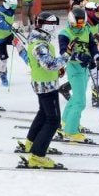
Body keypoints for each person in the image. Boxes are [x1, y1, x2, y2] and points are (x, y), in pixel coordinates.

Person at [17, 12, 70, 169]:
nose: (55, 28)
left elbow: (32, 61)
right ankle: (38, 156)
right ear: (47, 26)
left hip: (42, 83)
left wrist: (57, 70)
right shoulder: (40, 44)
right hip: (46, 86)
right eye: (53, 25)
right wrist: (67, 55)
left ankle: (32, 143)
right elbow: (49, 65)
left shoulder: (36, 40)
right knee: (53, 120)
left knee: (43, 114)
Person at [58, 6, 99, 142]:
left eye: (83, 23)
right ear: (72, 21)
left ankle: (66, 123)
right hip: (74, 69)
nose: (80, 26)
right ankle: (71, 132)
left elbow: (92, 46)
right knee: (80, 102)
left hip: (85, 68)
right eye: (78, 23)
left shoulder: (86, 30)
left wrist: (97, 58)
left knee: (76, 98)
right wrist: (79, 56)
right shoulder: (65, 33)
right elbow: (63, 53)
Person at [0, 0, 22, 87]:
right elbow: (1, 25)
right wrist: (12, 27)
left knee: (18, 43)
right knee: (4, 59)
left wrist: (14, 26)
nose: (14, 8)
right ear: (7, 4)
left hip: (8, 34)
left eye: (15, 6)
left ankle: (28, 60)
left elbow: (9, 22)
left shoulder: (9, 11)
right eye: (12, 6)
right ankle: (3, 75)